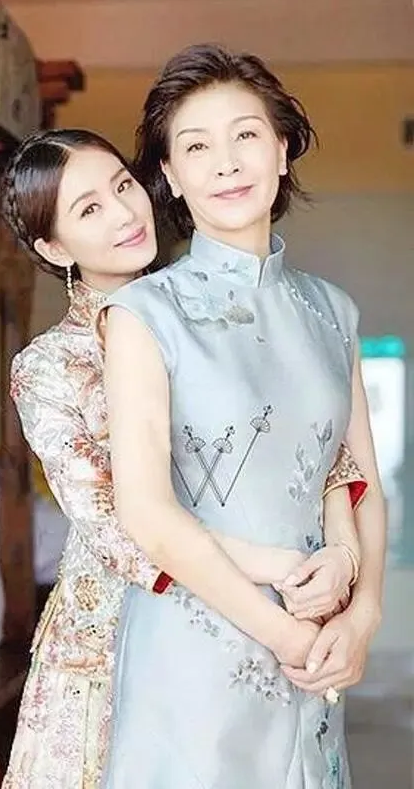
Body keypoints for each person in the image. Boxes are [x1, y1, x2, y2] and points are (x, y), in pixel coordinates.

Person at [0, 128, 367, 788]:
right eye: (89, 209)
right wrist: (276, 566)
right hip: (121, 625)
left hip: (268, 602)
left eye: (122, 186)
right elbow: (113, 520)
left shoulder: (222, 311)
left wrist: (342, 554)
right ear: (54, 248)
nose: (123, 213)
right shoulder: (49, 368)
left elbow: (317, 441)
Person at [100, 44, 385, 788]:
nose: (226, 163)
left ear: (282, 151)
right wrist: (284, 634)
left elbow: (358, 477)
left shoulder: (332, 311)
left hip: (318, 650)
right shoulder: (143, 313)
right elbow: (147, 516)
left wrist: (361, 616)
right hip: (197, 653)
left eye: (246, 135)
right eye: (196, 147)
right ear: (170, 175)